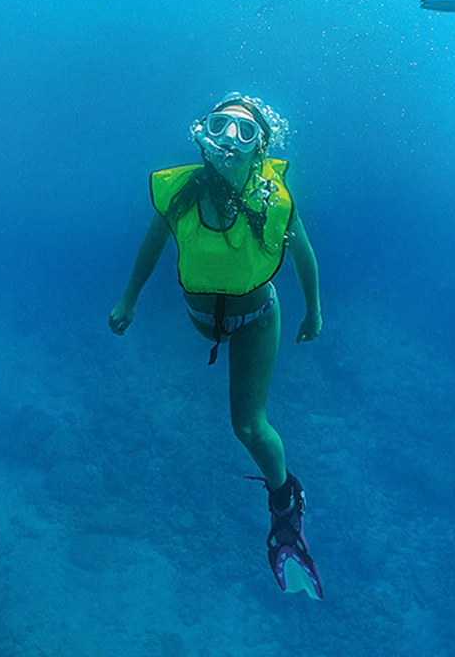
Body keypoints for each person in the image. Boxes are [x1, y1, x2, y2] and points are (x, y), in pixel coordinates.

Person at [109, 93, 324, 598]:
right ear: (203, 134)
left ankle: (286, 507)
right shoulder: (181, 193)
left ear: (259, 148)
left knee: (247, 425)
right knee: (238, 412)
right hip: (203, 318)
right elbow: (152, 246)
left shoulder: (272, 197)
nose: (231, 139)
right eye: (220, 126)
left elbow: (304, 255)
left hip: (256, 319)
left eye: (245, 132)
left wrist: (314, 310)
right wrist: (129, 300)